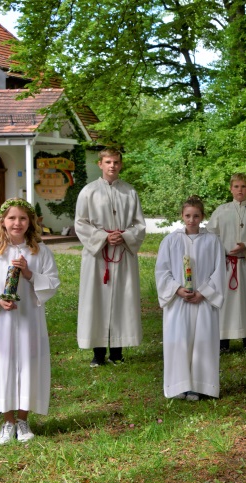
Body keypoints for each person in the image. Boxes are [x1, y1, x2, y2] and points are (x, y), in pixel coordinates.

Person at [0, 199, 60, 444]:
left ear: (30, 221)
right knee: (3, 365)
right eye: (12, 218)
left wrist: (30, 273)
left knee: (28, 364)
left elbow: (52, 282)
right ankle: (7, 421)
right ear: (2, 221)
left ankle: (23, 419)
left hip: (28, 318)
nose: (17, 223)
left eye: (22, 218)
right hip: (1, 320)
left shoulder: (39, 252)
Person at [75, 148, 147, 367]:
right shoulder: (88, 192)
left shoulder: (129, 192)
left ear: (121, 165)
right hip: (97, 255)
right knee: (97, 301)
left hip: (123, 253)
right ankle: (98, 354)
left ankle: (117, 352)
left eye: (116, 162)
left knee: (122, 301)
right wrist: (103, 237)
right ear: (100, 164)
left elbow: (139, 224)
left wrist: (124, 235)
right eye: (108, 162)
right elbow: (80, 222)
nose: (112, 166)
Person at [156, 196, 225, 401]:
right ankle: (179, 385)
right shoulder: (170, 240)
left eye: (196, 216)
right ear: (182, 216)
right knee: (179, 340)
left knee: (202, 340)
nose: (191, 220)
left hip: (202, 301)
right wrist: (177, 289)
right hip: (179, 302)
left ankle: (199, 385)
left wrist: (203, 292)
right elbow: (162, 271)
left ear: (202, 217)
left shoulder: (212, 241)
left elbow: (219, 271)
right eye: (188, 216)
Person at [206, 173, 246, 355]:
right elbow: (211, 236)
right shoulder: (221, 211)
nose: (239, 190)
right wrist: (222, 252)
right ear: (230, 188)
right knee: (225, 301)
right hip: (226, 263)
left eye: (243, 186)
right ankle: (222, 341)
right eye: (236, 186)